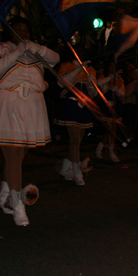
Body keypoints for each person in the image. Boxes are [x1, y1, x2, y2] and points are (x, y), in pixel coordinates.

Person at [0, 18, 59, 226]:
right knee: (14, 154)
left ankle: (4, 195)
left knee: (20, 153)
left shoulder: (36, 52)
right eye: (17, 29)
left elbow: (55, 58)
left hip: (32, 104)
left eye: (26, 29)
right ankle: (17, 204)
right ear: (9, 32)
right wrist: (16, 52)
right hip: (8, 102)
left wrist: (36, 48)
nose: (22, 32)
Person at [54, 48, 97, 186]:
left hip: (83, 107)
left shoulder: (90, 70)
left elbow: (93, 93)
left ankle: (66, 168)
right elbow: (61, 83)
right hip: (70, 104)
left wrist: (91, 83)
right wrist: (78, 69)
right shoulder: (66, 66)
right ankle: (77, 173)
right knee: (74, 140)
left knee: (77, 141)